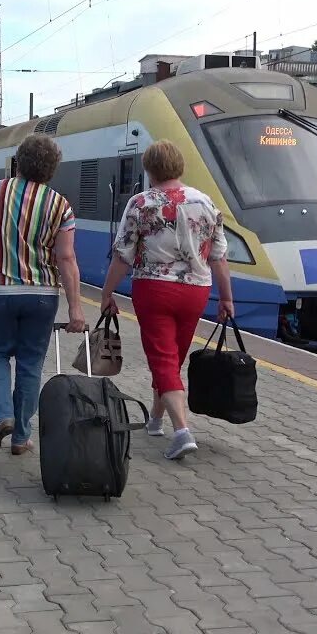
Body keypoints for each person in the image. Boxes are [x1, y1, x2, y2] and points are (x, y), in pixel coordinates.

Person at [0, 134, 86, 456]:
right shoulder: (60, 205)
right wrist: (76, 308)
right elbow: (66, 258)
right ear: (52, 169)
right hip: (41, 294)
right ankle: (21, 437)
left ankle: (1, 416)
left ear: (18, 161)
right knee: (30, 363)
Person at [100, 140, 234, 461]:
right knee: (172, 359)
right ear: (179, 166)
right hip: (196, 291)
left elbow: (123, 256)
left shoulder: (141, 203)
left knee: (163, 359)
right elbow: (219, 258)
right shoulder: (206, 203)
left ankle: (182, 432)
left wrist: (106, 293)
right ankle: (156, 421)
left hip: (154, 289)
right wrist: (226, 298)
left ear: (149, 169)